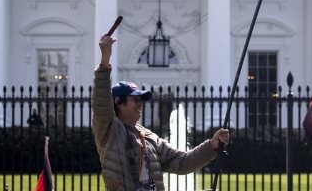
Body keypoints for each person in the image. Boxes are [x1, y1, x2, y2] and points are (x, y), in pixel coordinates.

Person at [92, 34, 230, 191]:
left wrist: (211, 146)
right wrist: (105, 60)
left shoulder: (147, 137)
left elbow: (182, 162)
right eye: (135, 99)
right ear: (118, 103)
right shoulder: (109, 129)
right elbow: (101, 102)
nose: (140, 103)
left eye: (141, 99)